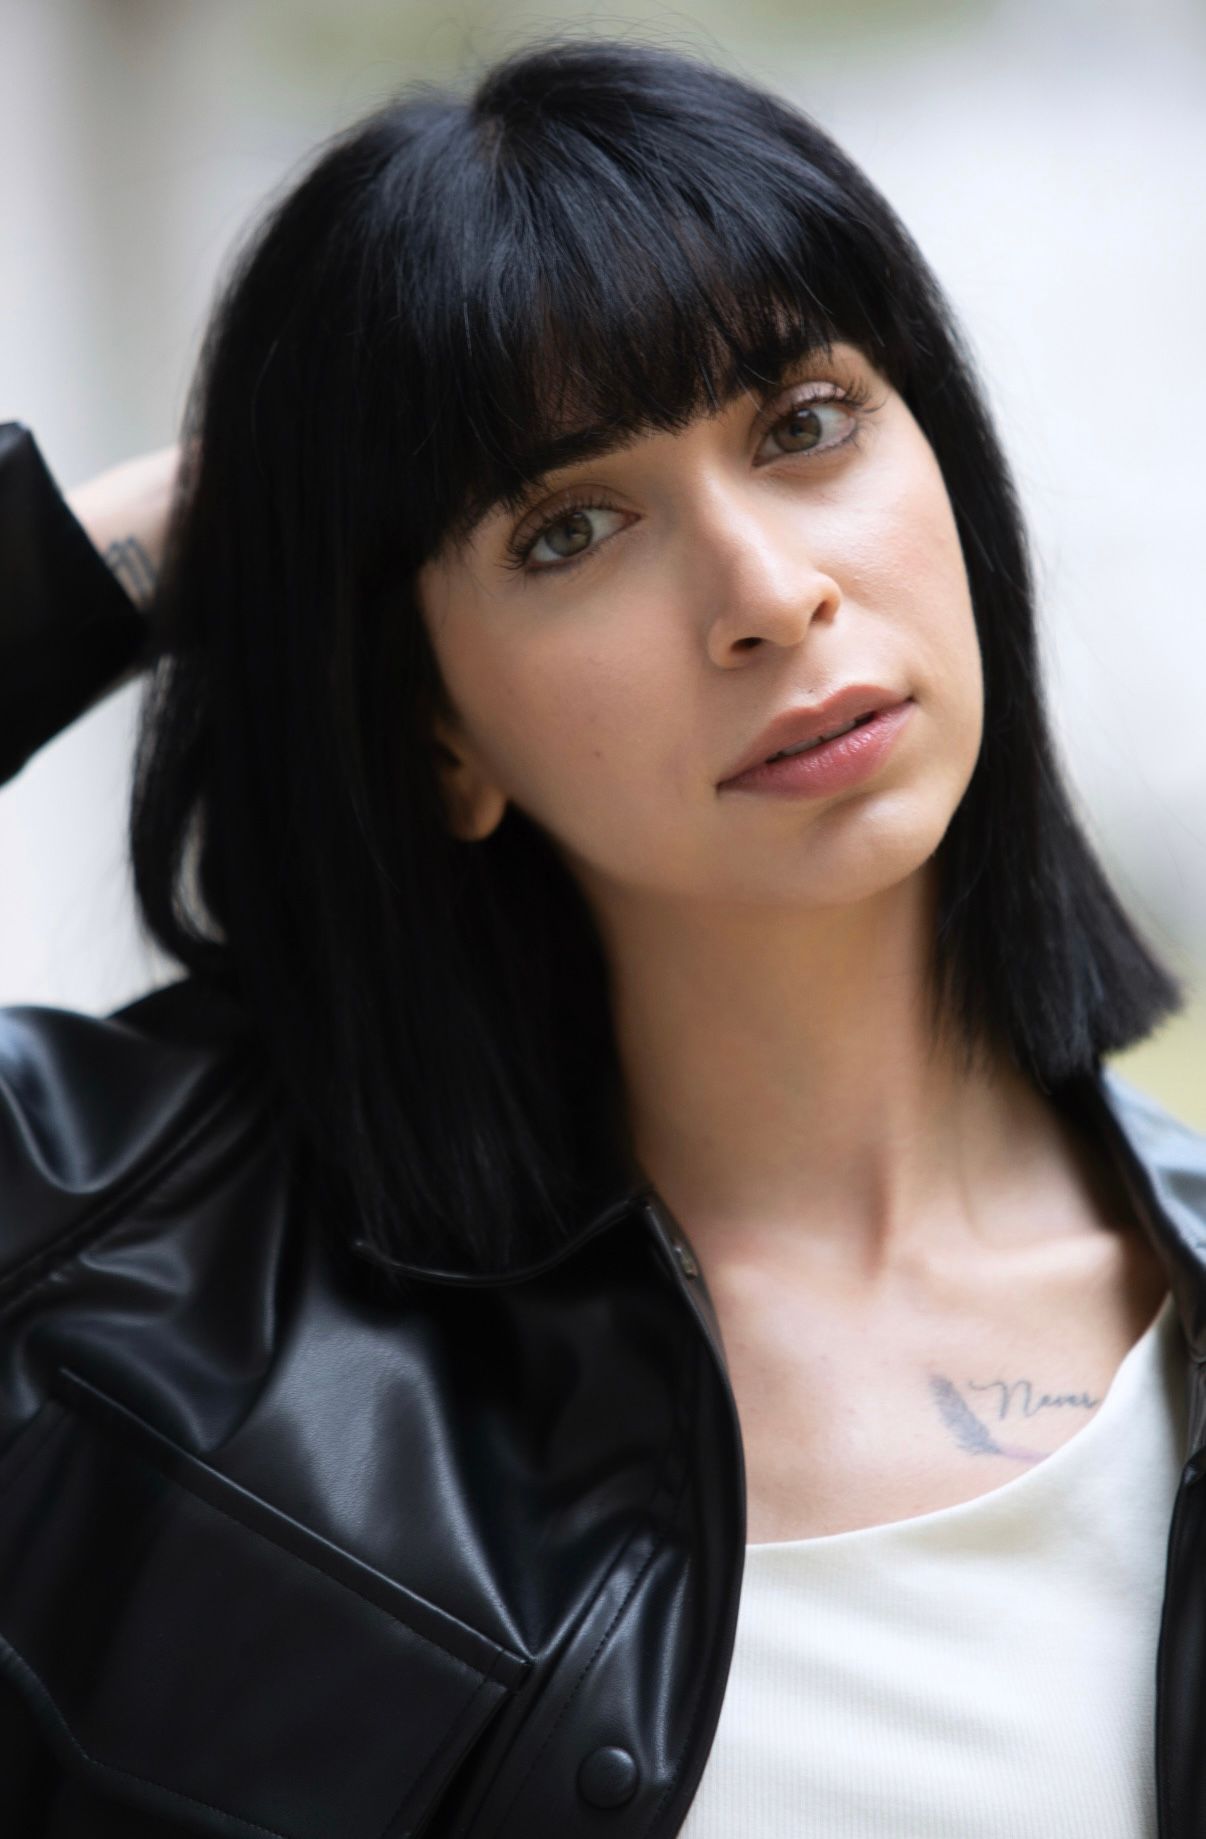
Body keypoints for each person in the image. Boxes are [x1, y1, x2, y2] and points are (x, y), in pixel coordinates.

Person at [2, 34, 1204, 1839]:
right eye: (569, 527)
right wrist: (223, 513)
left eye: (804, 425)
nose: (764, 593)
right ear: (436, 733)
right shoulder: (115, 1267)